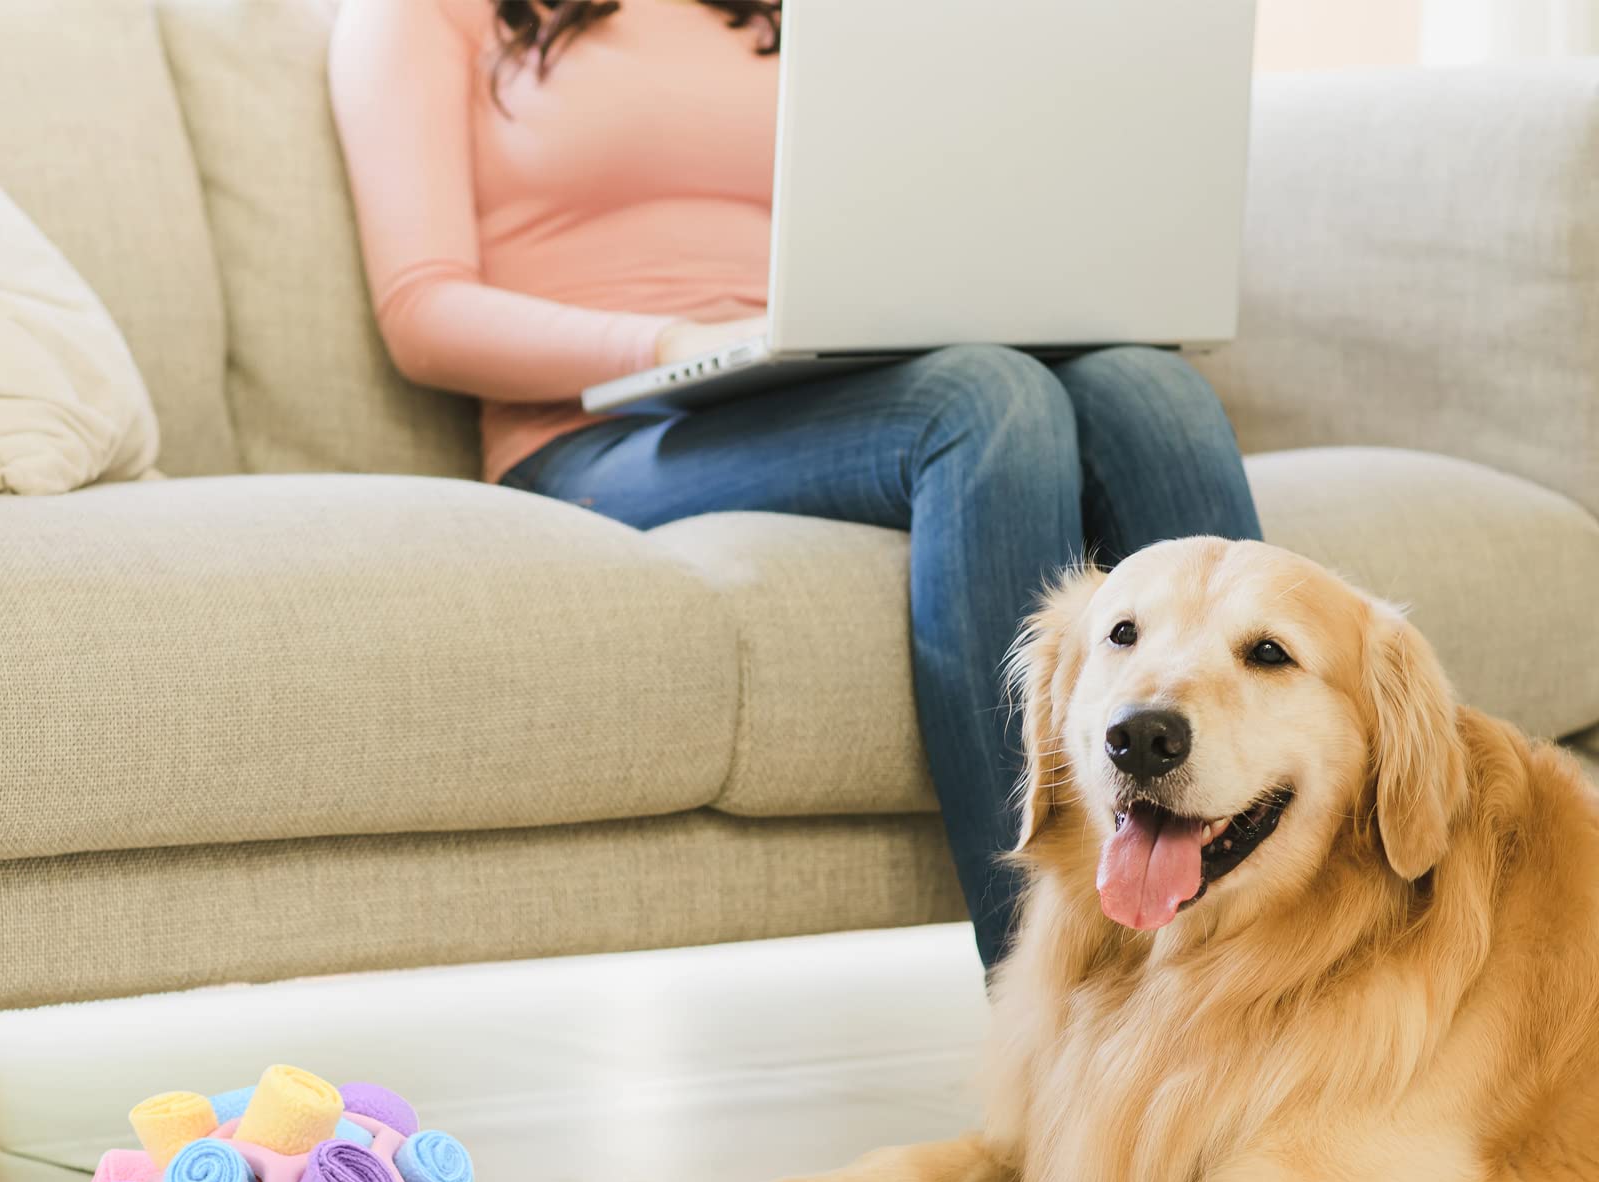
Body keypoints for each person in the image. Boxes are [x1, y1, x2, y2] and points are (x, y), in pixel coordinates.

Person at [330, 0, 1263, 971]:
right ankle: (1040, 993)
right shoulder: (425, 13)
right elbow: (422, 308)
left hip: (817, 379)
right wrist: (672, 344)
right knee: (989, 400)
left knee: (1146, 384)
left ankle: (1276, 978)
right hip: (603, 430)